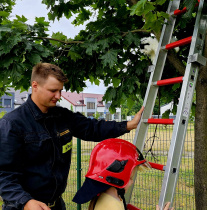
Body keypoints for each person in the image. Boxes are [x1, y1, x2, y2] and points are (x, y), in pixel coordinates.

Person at [0, 63, 144, 210]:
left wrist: (127, 125)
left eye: (60, 90)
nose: (58, 96)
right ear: (35, 86)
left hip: (57, 205)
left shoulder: (62, 116)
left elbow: (92, 128)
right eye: (53, 90)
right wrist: (26, 202)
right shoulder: (12, 124)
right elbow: (4, 176)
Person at [72, 138, 174, 210]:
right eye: (130, 178)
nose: (132, 181)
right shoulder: (112, 206)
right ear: (117, 179)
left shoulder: (108, 198)